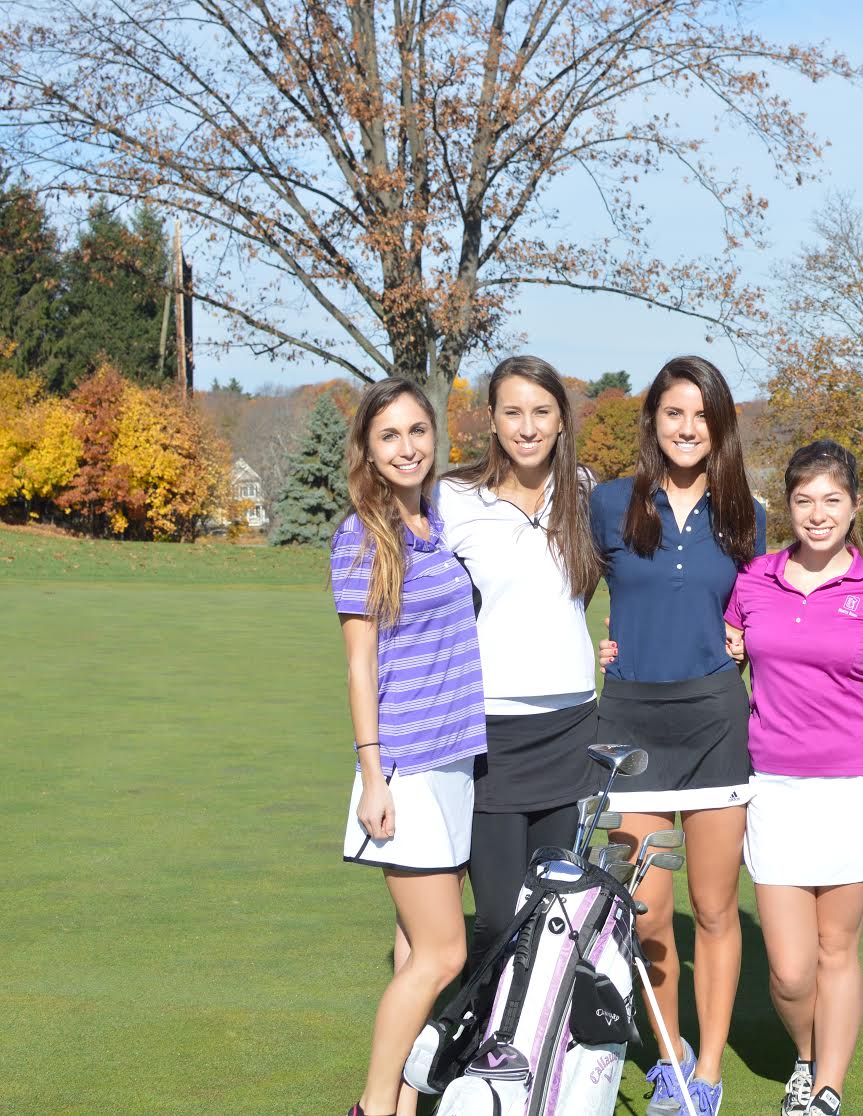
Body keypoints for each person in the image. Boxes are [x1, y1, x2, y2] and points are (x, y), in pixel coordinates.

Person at [591, 355, 765, 1116]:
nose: (687, 427)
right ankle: (671, 1055)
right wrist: (583, 648)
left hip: (716, 726)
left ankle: (708, 1073)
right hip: (630, 725)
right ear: (653, 422)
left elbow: (761, 611)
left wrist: (748, 644)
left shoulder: (746, 515)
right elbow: (556, 594)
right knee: (649, 910)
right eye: (673, 413)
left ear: (718, 425)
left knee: (717, 908)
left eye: (701, 414)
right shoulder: (605, 504)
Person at [722, 440, 863, 1116]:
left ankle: (827, 1084)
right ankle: (805, 1052)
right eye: (804, 499)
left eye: (832, 499)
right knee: (789, 969)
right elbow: (721, 669)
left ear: (855, 507)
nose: (818, 513)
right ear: (789, 505)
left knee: (838, 949)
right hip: (774, 789)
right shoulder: (753, 582)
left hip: (857, 790)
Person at [332, 379, 487, 1116]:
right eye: (389, 435)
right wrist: (373, 776)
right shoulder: (362, 533)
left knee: (411, 945)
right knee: (443, 953)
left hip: (457, 761)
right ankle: (372, 1107)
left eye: (417, 431)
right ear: (367, 447)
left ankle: (397, 1103)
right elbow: (360, 664)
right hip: (408, 766)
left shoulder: (438, 523)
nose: (406, 447)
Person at [435, 355, 602, 978]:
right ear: (491, 419)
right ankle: (473, 1052)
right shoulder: (452, 498)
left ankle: (532, 1063)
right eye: (513, 412)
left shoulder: (583, 491)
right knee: (499, 916)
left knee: (553, 913)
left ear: (561, 420)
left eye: (541, 412)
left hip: (571, 729)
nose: (527, 427)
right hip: (491, 731)